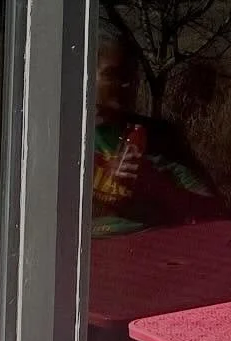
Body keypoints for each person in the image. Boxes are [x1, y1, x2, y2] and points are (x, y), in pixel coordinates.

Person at [91, 22, 218, 234]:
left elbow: (211, 209)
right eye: (113, 75)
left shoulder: (159, 138)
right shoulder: (62, 137)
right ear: (85, 76)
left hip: (150, 246)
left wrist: (153, 183)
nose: (127, 85)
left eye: (131, 76)